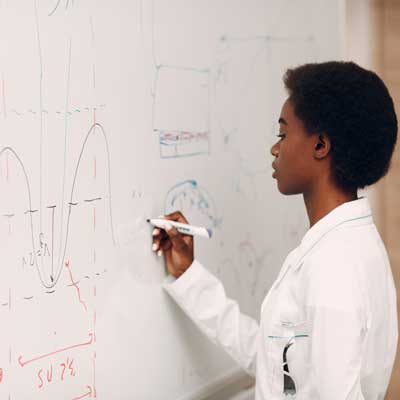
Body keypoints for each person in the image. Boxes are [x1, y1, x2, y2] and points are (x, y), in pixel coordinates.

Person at [151, 61, 398, 399]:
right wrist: (190, 277)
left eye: (283, 133)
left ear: (321, 146)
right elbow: (277, 363)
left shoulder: (335, 265)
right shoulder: (346, 246)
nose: (275, 147)